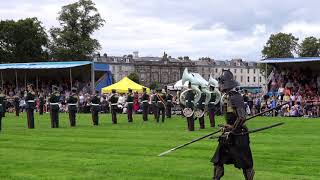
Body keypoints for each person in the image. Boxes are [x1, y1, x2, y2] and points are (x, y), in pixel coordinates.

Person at [212, 70, 254, 180]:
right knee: (218, 160)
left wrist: (232, 128)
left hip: (239, 135)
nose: (219, 86)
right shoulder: (228, 96)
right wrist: (227, 126)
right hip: (228, 135)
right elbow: (232, 117)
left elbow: (242, 117)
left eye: (221, 84)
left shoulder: (236, 97)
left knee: (246, 164)